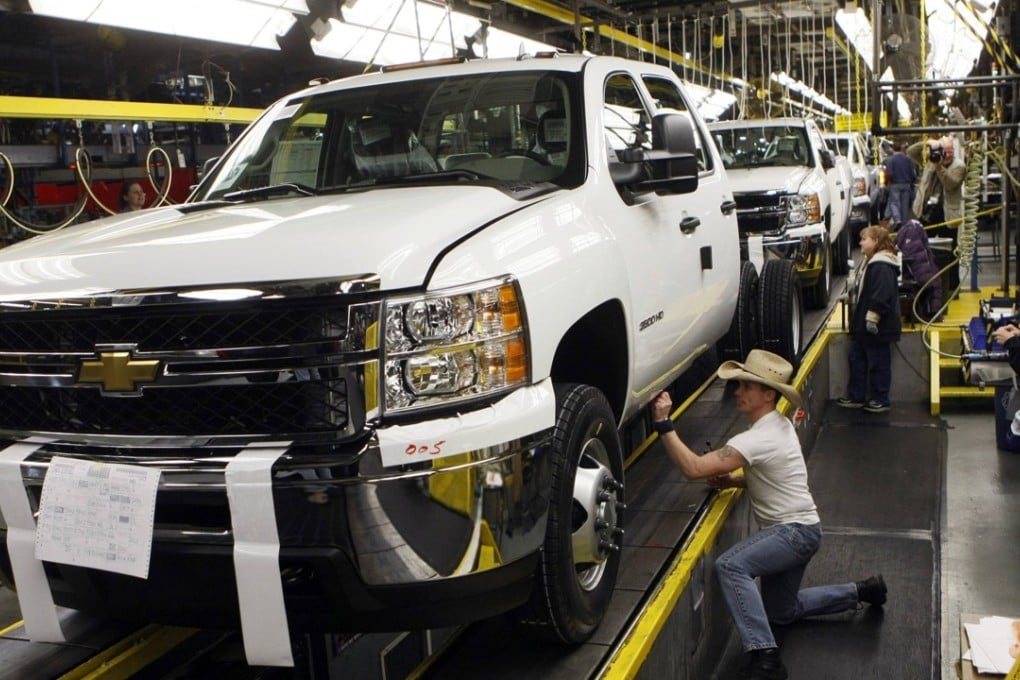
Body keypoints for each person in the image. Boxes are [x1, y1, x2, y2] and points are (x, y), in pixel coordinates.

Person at [650, 349, 887, 680]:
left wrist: (663, 422)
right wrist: (733, 480)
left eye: (746, 386)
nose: (738, 392)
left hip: (792, 533)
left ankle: (765, 658)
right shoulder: (780, 424)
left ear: (768, 394)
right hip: (805, 530)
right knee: (782, 612)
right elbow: (774, 474)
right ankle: (861, 591)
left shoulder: (757, 437)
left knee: (731, 566)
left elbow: (694, 468)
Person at [838, 225, 902, 413]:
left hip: (878, 326)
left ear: (875, 241)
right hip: (863, 327)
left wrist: (873, 317)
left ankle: (880, 398)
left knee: (878, 362)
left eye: (864, 239)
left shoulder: (881, 265)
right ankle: (856, 395)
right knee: (857, 359)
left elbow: (882, 294)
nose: (860, 243)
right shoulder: (869, 262)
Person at [882, 141, 916, 227]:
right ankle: (904, 224)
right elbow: (913, 173)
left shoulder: (891, 160)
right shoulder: (907, 159)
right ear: (901, 149)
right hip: (906, 184)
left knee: (894, 203)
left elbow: (889, 173)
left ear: (892, 149)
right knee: (905, 205)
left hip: (895, 184)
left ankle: (897, 219)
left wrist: (888, 182)